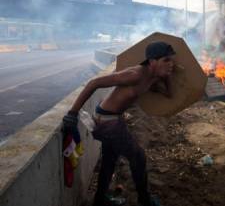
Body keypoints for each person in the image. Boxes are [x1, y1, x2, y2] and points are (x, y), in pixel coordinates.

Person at [62, 41, 176, 206]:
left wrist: (167, 77)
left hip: (113, 119)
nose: (171, 64)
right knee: (138, 157)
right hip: (108, 121)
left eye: (171, 60)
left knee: (110, 158)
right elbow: (94, 83)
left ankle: (99, 200)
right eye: (166, 60)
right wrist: (72, 114)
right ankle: (145, 200)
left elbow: (170, 94)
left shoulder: (152, 78)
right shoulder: (135, 74)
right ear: (152, 61)